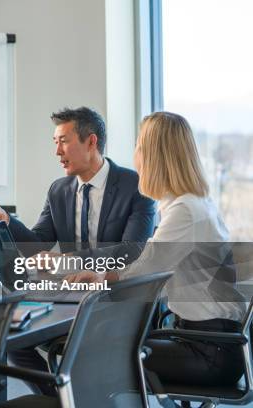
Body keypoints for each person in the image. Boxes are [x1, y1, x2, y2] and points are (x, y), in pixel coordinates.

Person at [0, 106, 157, 395]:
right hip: (71, 297)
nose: (57, 151)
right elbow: (38, 243)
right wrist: (5, 219)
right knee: (12, 338)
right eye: (55, 143)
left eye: (63, 141)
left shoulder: (135, 186)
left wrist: (68, 260)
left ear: (91, 142)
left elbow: (130, 251)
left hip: (116, 301)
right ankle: (59, 400)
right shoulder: (59, 190)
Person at [67, 111, 246, 388]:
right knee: (106, 344)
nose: (135, 152)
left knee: (96, 354)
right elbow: (157, 271)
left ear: (154, 155)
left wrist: (101, 277)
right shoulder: (194, 203)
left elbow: (147, 269)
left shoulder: (185, 210)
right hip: (207, 340)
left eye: (139, 145)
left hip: (209, 351)